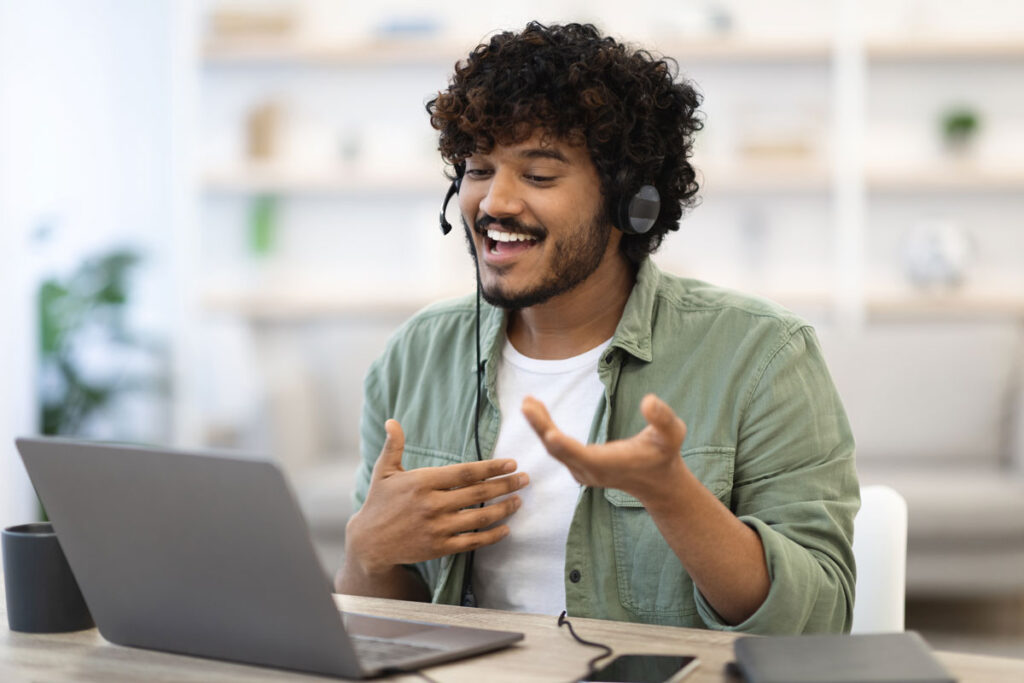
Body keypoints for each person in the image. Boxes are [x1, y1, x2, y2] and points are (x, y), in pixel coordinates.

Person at [335, 22, 859, 634]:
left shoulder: (763, 356)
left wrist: (672, 495)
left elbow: (817, 621)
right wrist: (366, 551)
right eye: (477, 170)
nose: (493, 203)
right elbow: (380, 630)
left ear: (630, 205)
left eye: (538, 175)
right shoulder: (416, 354)